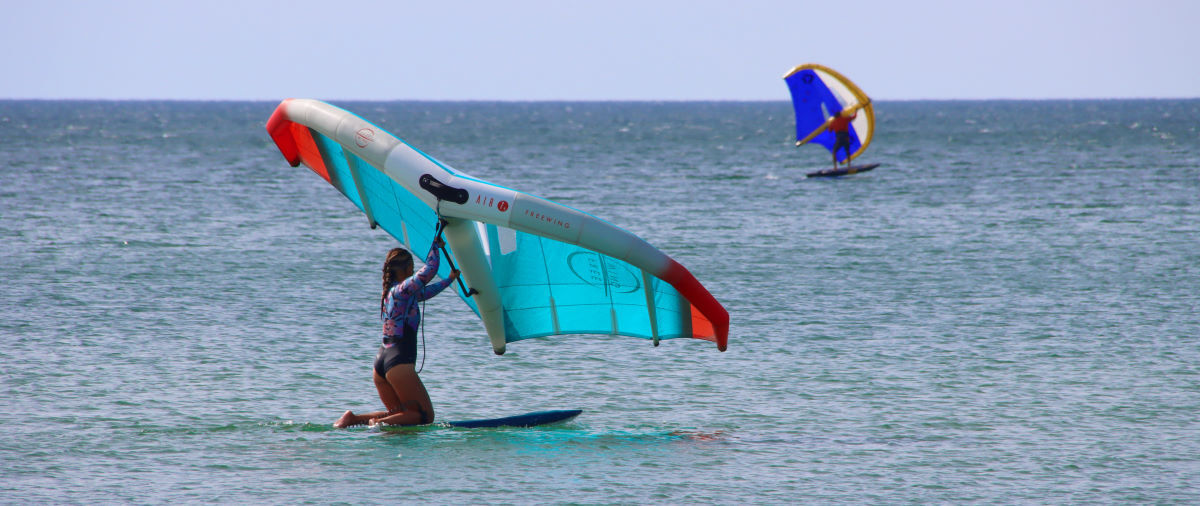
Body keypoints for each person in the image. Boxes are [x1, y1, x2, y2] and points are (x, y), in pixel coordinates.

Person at [334, 238, 460, 428]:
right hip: (398, 362)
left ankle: (352, 419)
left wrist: (449, 280)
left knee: (402, 415)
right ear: (406, 269)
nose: (412, 272)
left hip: (381, 363)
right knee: (424, 417)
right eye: (411, 268)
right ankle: (377, 423)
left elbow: (425, 293)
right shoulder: (401, 290)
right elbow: (430, 270)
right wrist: (436, 244)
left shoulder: (392, 293)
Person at [827, 100, 870, 169]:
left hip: (839, 138)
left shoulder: (833, 122)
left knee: (834, 151)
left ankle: (835, 167)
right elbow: (853, 117)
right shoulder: (845, 119)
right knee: (847, 151)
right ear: (840, 115)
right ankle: (849, 165)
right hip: (846, 137)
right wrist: (856, 112)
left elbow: (829, 131)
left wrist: (829, 126)